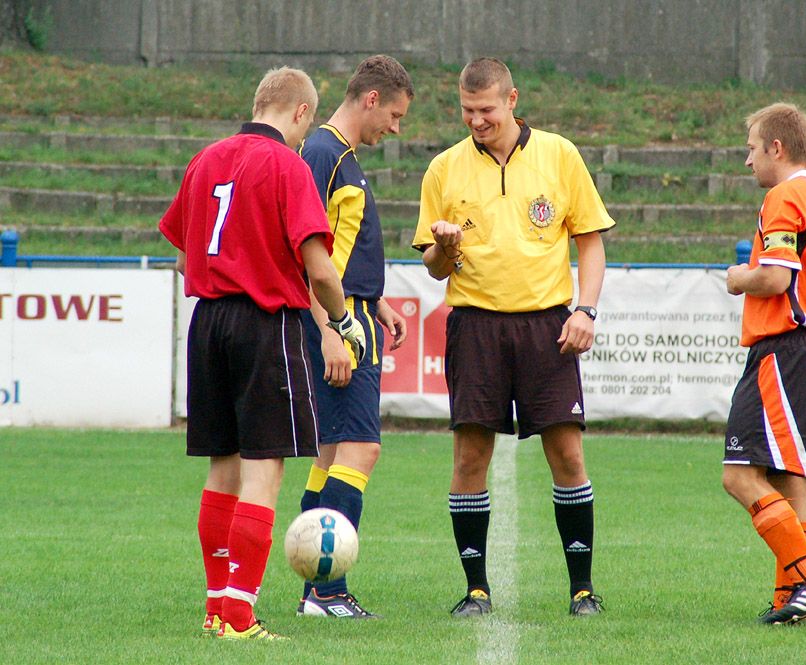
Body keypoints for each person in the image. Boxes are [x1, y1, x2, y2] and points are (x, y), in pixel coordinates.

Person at [159, 66, 367, 641]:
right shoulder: (287, 165)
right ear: (302, 112)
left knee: (221, 469)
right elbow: (319, 268)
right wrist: (343, 321)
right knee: (263, 470)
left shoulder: (205, 159)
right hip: (264, 322)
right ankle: (241, 615)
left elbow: (182, 260)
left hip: (207, 322)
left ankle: (215, 608)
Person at [411, 57, 615, 617]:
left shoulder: (559, 154)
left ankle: (582, 590)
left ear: (513, 100)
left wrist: (587, 311)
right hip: (474, 324)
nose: (477, 120)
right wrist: (445, 248)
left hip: (548, 325)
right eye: (467, 110)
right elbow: (433, 266)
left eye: (486, 109)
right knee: (470, 456)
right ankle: (476, 589)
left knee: (568, 454)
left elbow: (591, 243)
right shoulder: (443, 169)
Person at [294, 55, 413, 619]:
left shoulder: (341, 157)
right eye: (394, 114)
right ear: (371, 99)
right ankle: (327, 591)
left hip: (357, 312)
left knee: (333, 450)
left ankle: (313, 586)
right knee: (360, 448)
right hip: (339, 324)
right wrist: (330, 332)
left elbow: (338, 250)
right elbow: (307, 256)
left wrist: (377, 301)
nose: (395, 127)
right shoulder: (323, 154)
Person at [723, 102, 806, 625]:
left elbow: (773, 278)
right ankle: (788, 596)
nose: (747, 161)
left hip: (783, 351)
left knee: (738, 475)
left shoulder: (784, 195)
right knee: (791, 480)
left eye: (752, 148)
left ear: (777, 147)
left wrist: (737, 275)